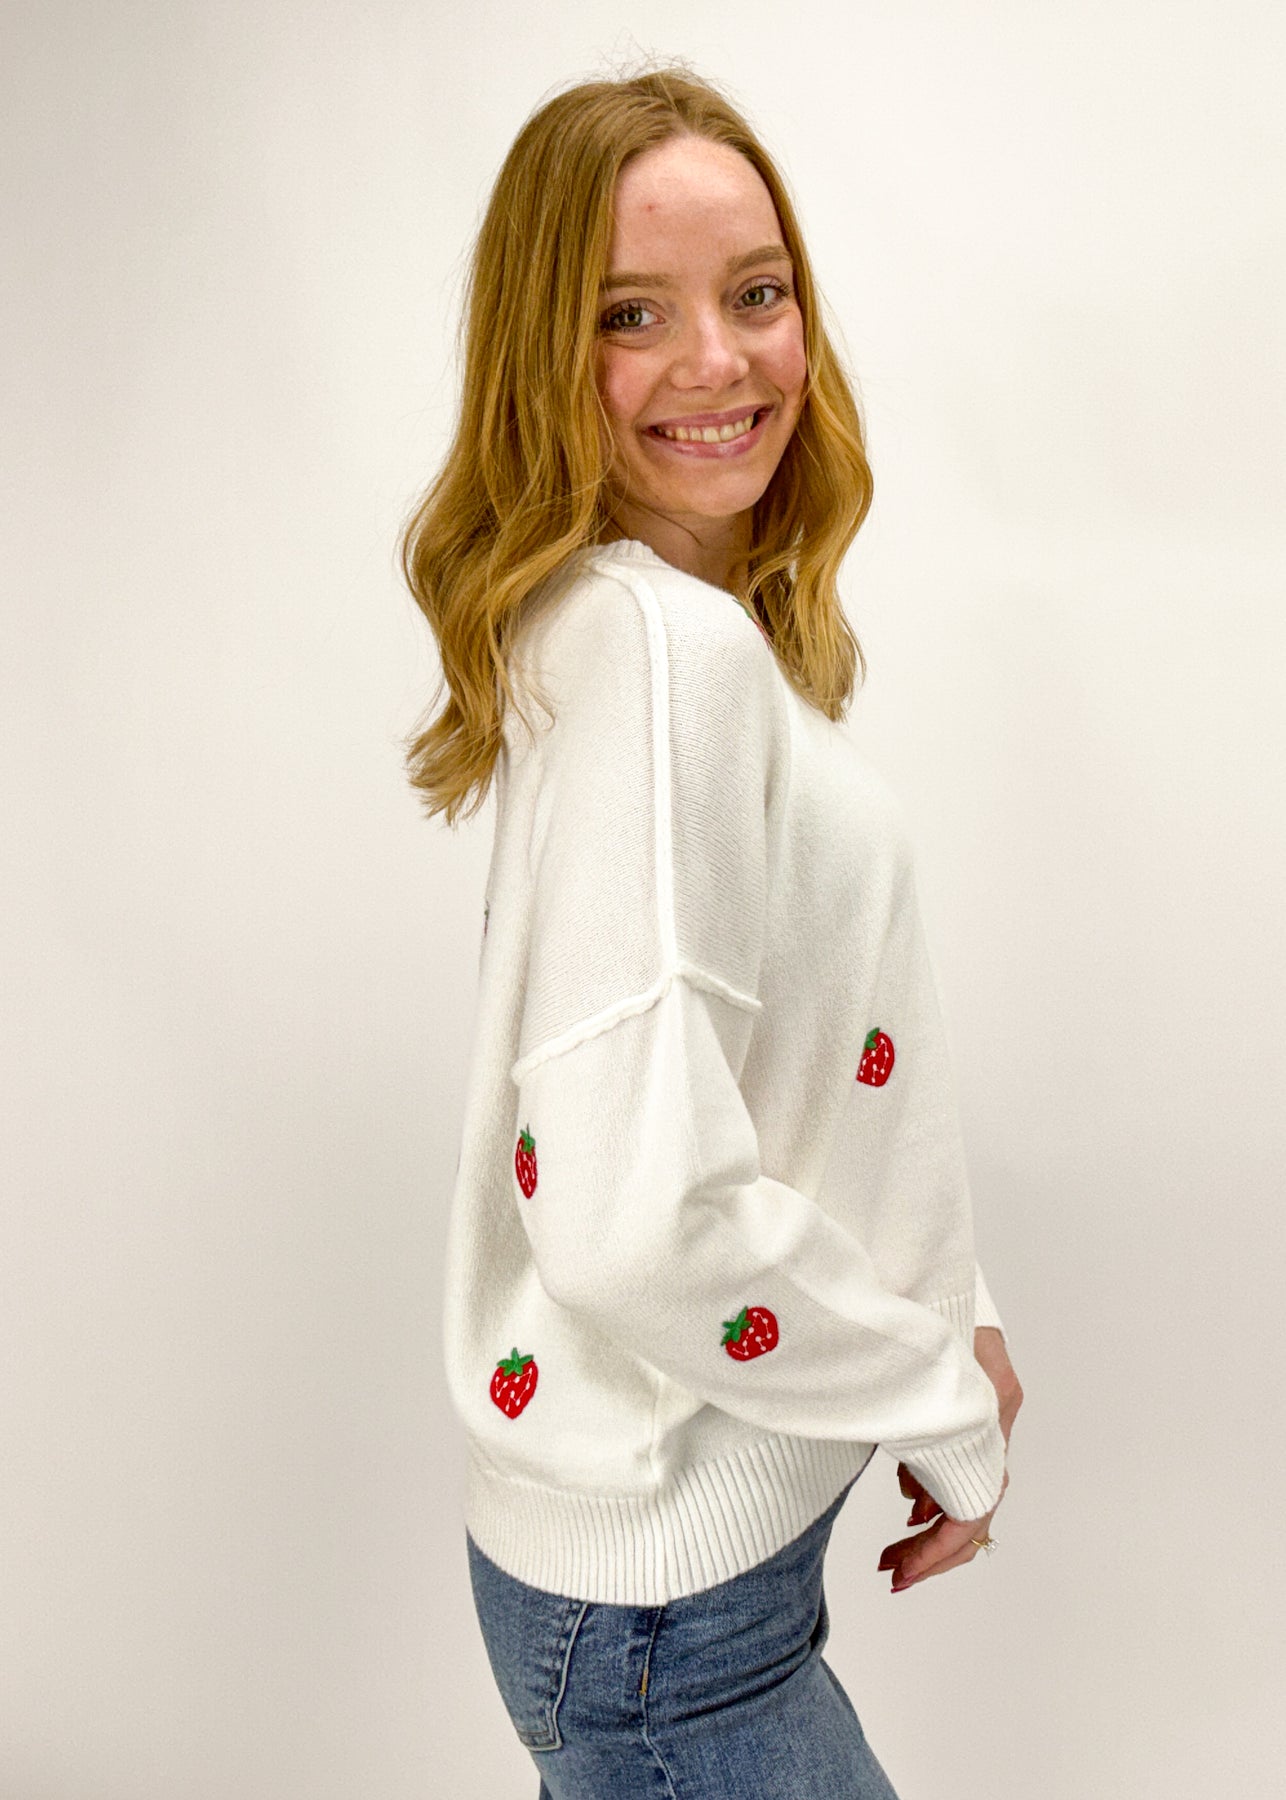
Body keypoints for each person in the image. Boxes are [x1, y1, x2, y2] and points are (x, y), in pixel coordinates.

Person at [399, 63, 1024, 1799]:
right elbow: (632, 1220)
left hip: (663, 1595)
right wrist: (934, 1389)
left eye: (756, 293)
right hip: (670, 1628)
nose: (718, 361)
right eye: (630, 315)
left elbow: (790, 1065)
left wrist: (946, 1303)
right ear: (542, 356)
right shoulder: (659, 657)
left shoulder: (637, 624)